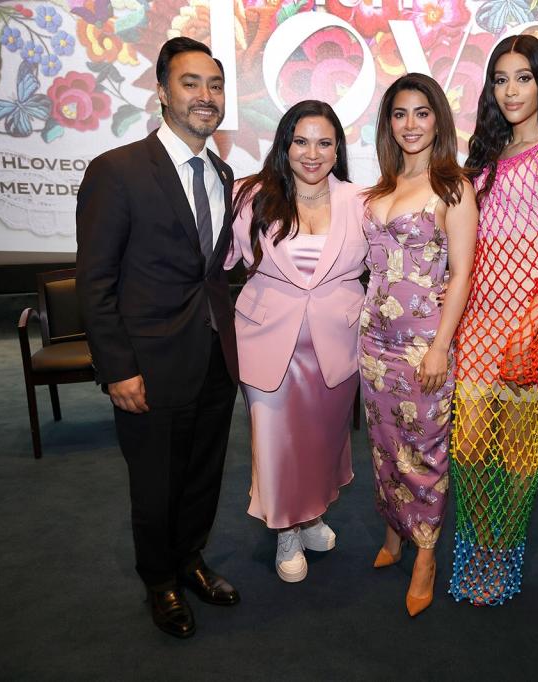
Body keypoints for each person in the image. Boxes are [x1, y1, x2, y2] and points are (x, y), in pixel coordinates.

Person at [76, 37, 240, 639]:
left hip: (214, 359)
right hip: (147, 364)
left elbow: (213, 273)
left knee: (202, 474)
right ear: (163, 92)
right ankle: (160, 582)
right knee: (154, 484)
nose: (205, 96)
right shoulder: (116, 171)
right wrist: (117, 368)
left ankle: (191, 560)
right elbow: (94, 282)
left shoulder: (221, 172)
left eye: (215, 85)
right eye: (191, 83)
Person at [449, 34, 538, 606]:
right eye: (500, 79)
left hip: (533, 316)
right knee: (470, 443)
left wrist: (532, 321)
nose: (510, 90)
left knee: (517, 445)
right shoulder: (480, 159)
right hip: (477, 318)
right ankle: (480, 541)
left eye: (523, 77)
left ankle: (503, 550)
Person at [227, 100, 366, 583]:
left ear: (337, 149)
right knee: (274, 440)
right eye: (301, 141)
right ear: (284, 145)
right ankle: (285, 528)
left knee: (322, 441)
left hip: (335, 341)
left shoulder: (360, 200)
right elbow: (228, 258)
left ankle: (311, 515)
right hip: (268, 338)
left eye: (324, 143)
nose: (312, 153)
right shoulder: (251, 196)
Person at [359, 73, 477, 617]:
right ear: (389, 123)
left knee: (423, 450)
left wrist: (440, 347)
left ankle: (426, 553)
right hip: (373, 343)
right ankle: (393, 532)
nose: (410, 124)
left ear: (439, 121)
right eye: (400, 114)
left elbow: (460, 276)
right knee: (384, 444)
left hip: (421, 344)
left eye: (421, 113)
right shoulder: (380, 188)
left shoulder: (453, 186)